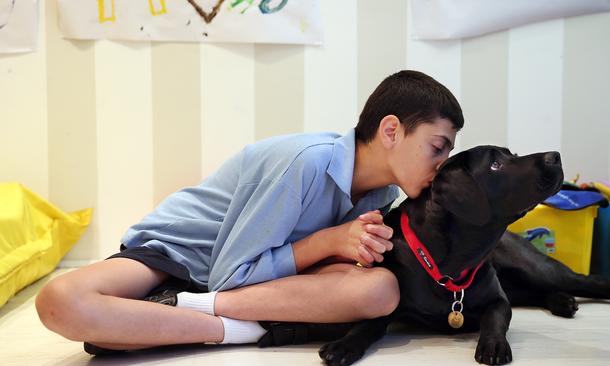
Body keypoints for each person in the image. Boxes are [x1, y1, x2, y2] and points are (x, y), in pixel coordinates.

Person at [35, 70, 464, 352]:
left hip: (252, 280)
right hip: (179, 254)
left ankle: (162, 320)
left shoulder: (382, 193)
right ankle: (234, 328)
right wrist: (329, 241)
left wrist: (345, 252)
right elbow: (228, 273)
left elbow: (320, 269)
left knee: (380, 291)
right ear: (391, 130)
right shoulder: (306, 162)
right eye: (437, 148)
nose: (441, 166)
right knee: (60, 301)